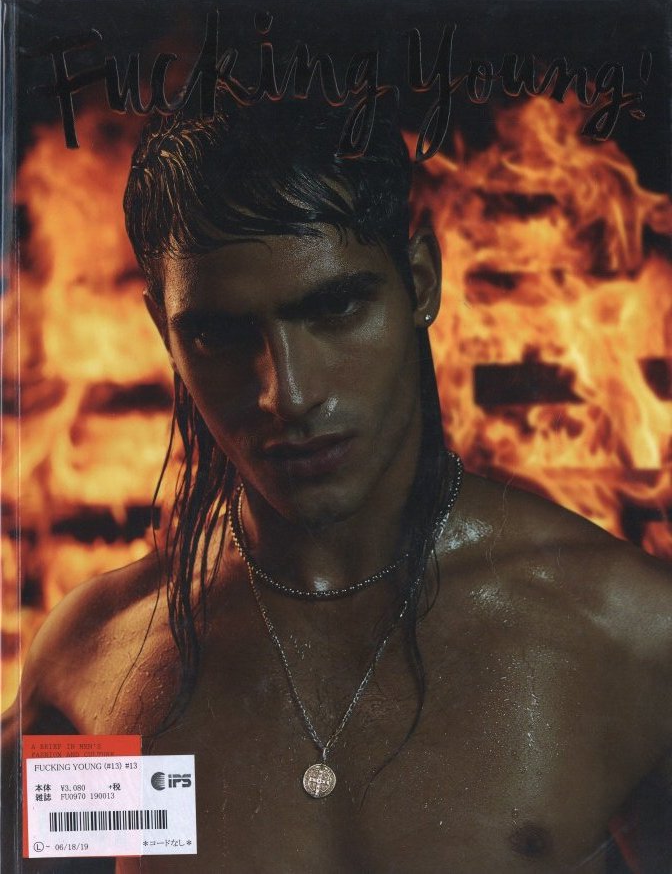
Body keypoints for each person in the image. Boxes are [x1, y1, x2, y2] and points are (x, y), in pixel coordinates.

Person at [2, 96, 671, 874]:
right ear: (165, 333)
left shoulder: (626, 637)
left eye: (335, 306)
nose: (286, 393)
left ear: (421, 282)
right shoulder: (97, 668)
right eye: (218, 332)